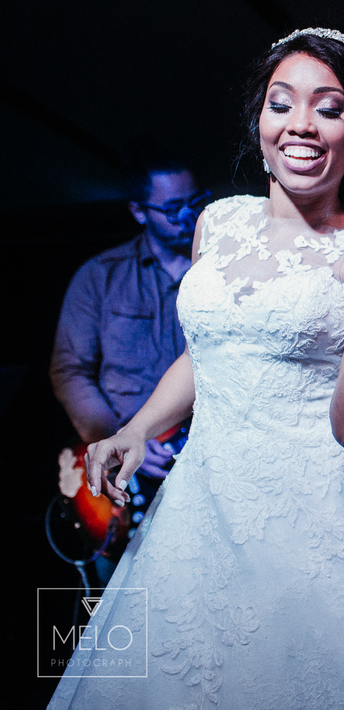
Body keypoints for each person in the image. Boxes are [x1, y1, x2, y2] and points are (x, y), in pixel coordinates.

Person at [45, 28, 344, 710]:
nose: (301, 125)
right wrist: (135, 431)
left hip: (324, 523)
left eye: (329, 108)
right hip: (202, 510)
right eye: (281, 103)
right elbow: (210, 353)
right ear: (259, 121)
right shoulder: (217, 223)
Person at [49, 147, 204, 578]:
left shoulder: (222, 274)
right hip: (126, 477)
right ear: (138, 211)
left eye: (195, 202)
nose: (187, 216)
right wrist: (117, 441)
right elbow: (69, 370)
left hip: (207, 462)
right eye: (172, 208)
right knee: (125, 599)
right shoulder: (99, 276)